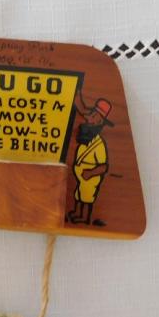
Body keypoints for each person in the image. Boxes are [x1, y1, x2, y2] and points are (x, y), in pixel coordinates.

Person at [66, 97, 114, 226]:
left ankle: (85, 217)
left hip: (90, 178)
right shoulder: (86, 140)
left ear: (99, 121)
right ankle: (77, 212)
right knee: (79, 195)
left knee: (87, 197)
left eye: (93, 116)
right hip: (81, 178)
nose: (88, 119)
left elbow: (104, 167)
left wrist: (90, 173)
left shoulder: (99, 144)